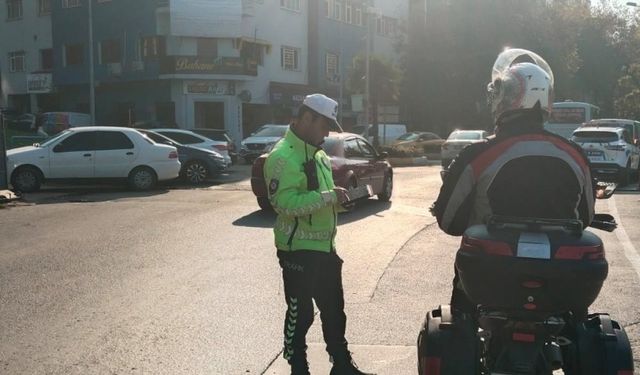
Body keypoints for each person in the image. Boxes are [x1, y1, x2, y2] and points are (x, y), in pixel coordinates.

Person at [431, 48, 595, 316]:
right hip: (560, 282)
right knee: (576, 325)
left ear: (508, 97)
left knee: (461, 324)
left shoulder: (478, 155)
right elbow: (585, 218)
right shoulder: (575, 155)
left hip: (489, 278)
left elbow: (449, 223)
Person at [264, 93, 375, 375]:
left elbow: (322, 199)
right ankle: (297, 367)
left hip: (325, 248)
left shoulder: (320, 155)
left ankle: (341, 364)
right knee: (300, 316)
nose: (327, 133)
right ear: (306, 118)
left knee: (334, 311)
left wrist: (340, 200)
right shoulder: (282, 157)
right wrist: (327, 197)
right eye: (324, 125)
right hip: (297, 250)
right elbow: (283, 204)